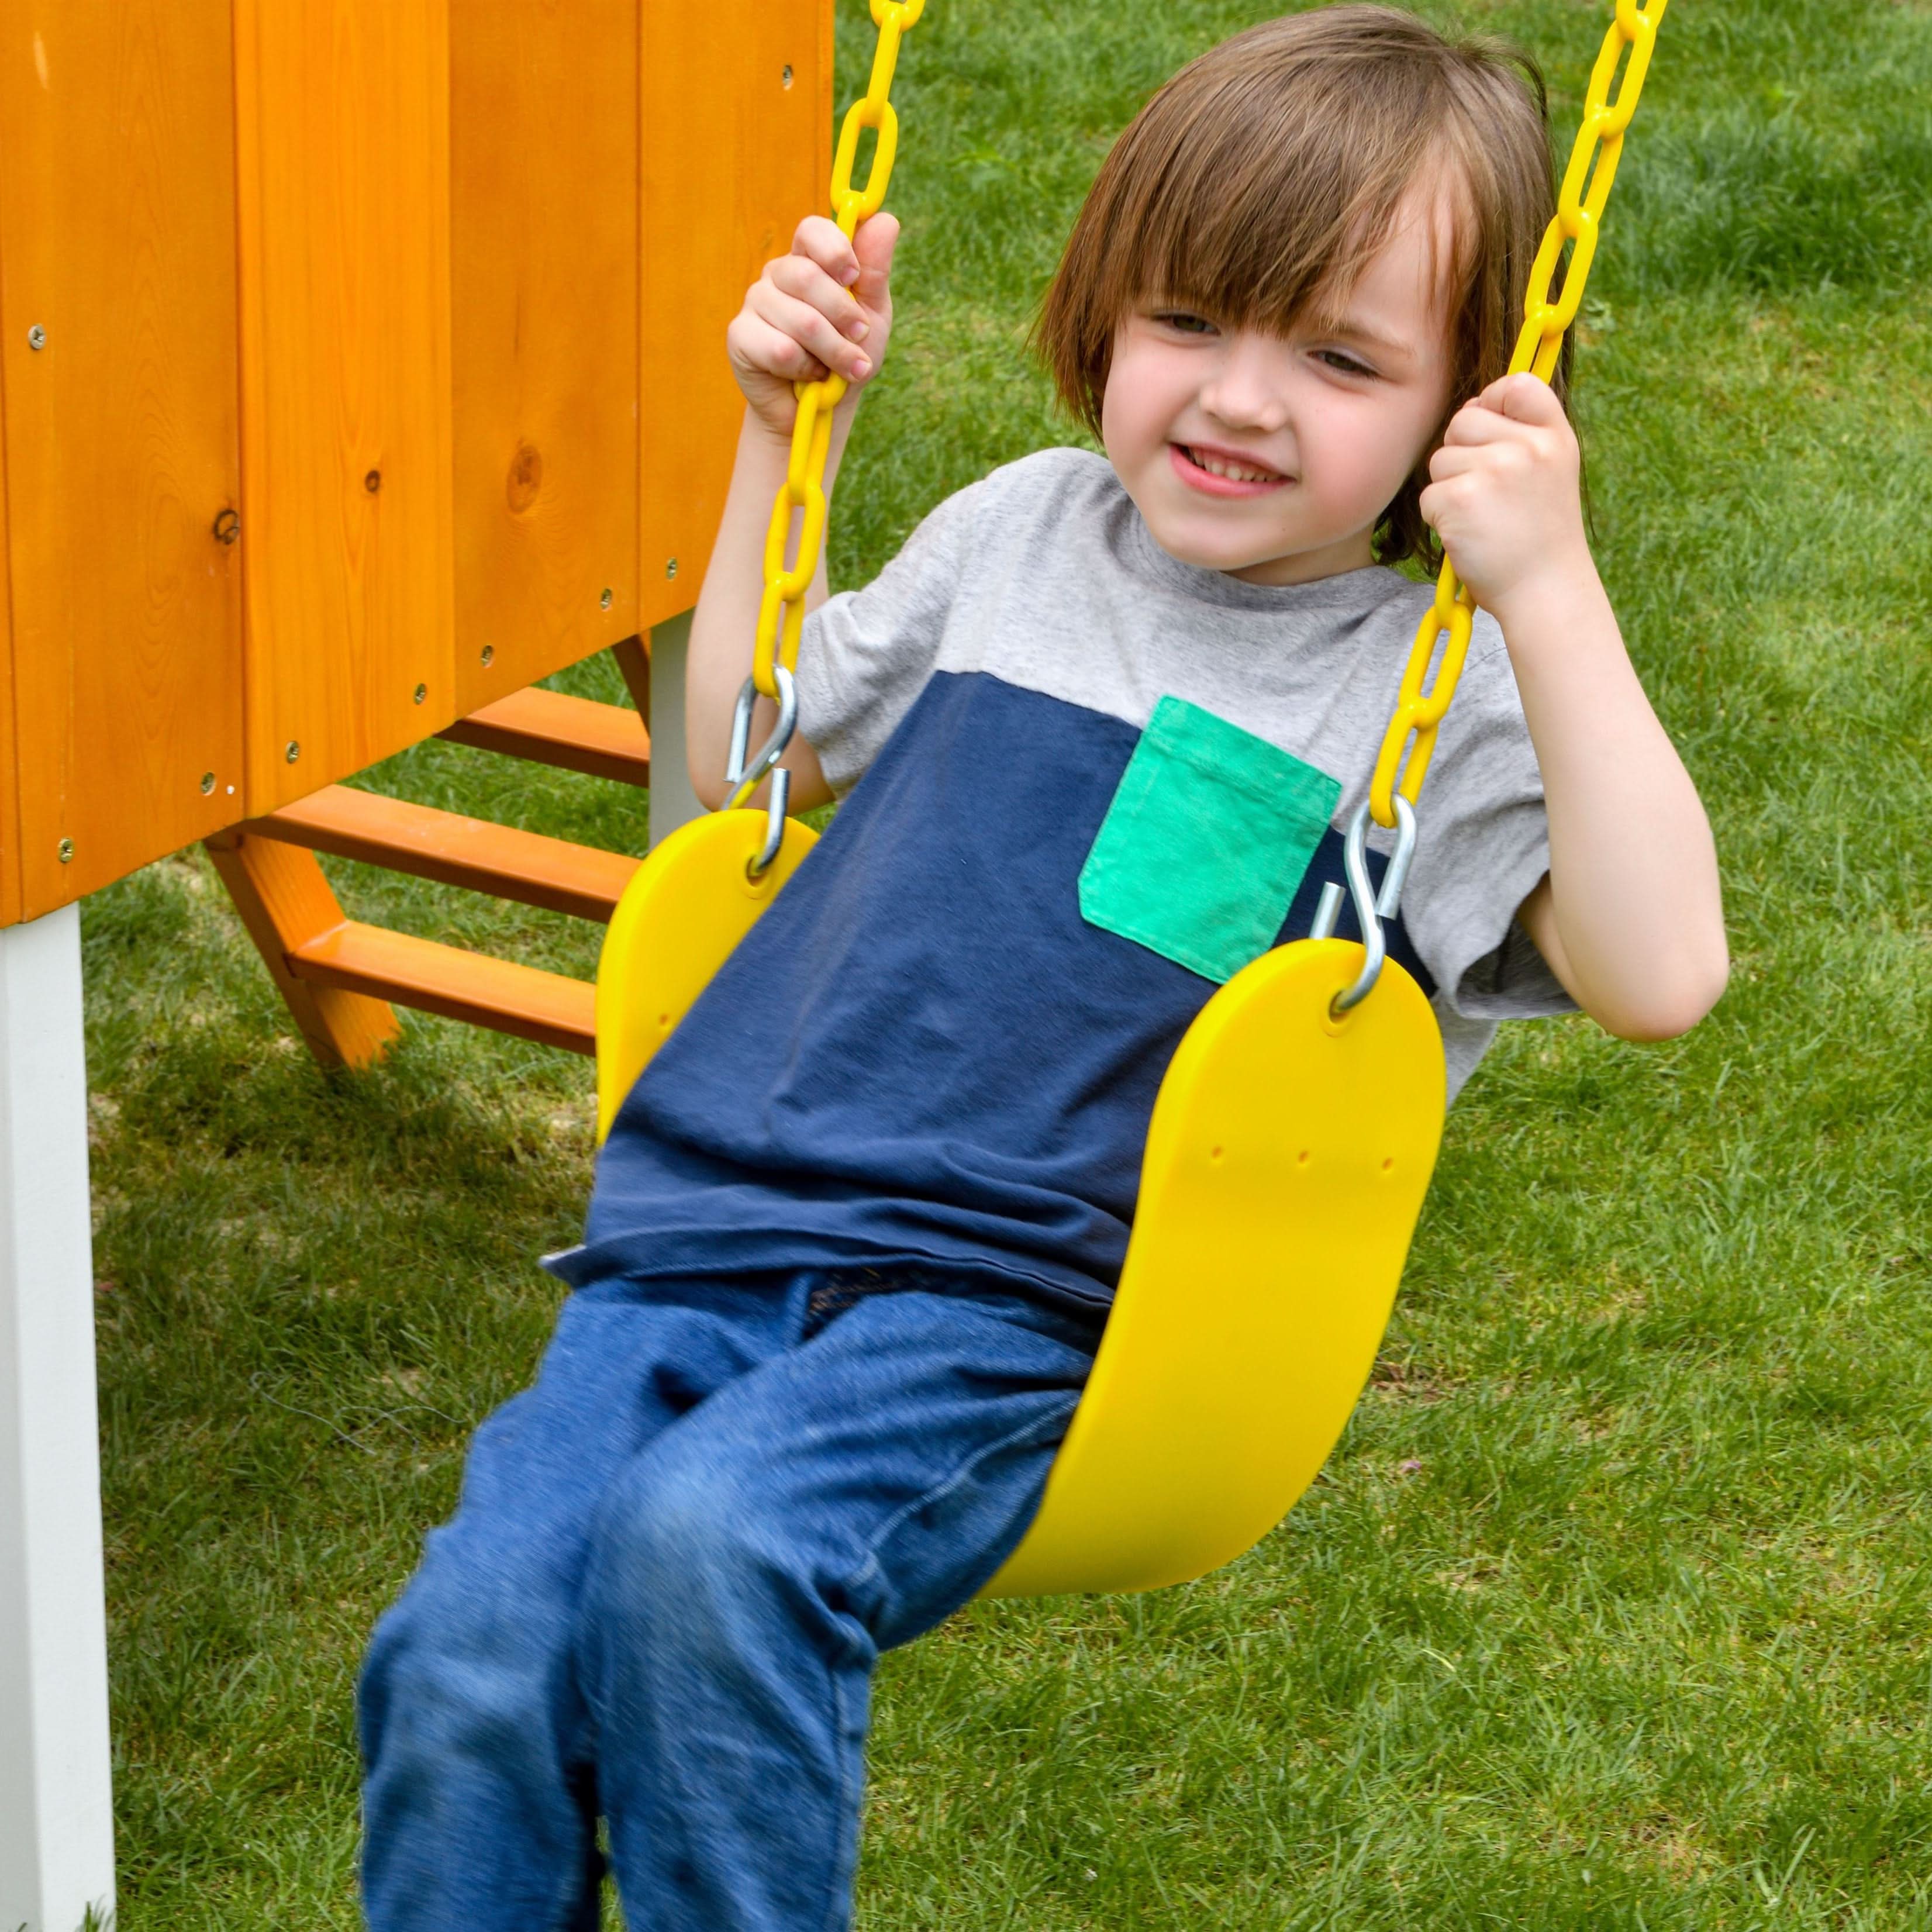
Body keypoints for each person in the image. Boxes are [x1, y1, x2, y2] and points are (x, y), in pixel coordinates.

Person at [356, 8, 1727, 1928]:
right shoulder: (1022, 529)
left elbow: (1663, 970)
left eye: (1338, 357)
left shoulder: (1432, 696)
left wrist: (1553, 591)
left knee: (711, 1552)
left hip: (1006, 1300)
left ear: (1466, 412)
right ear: (1102, 315)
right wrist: (776, 432)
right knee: (468, 1653)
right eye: (1186, 322)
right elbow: (739, 762)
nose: (1239, 399)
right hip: (707, 1229)